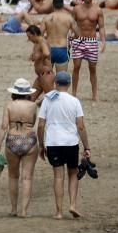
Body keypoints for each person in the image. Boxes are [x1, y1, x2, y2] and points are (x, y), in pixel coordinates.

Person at [37, 71, 91, 220]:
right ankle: (72, 204)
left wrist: (41, 145)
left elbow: (41, 125)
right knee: (73, 174)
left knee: (58, 177)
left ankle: (59, 212)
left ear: (56, 83)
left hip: (53, 142)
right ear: (69, 84)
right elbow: (81, 126)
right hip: (70, 143)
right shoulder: (74, 101)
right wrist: (87, 147)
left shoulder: (47, 100)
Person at [0, 79, 40, 217]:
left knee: (13, 176)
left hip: (12, 139)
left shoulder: (9, 105)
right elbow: (33, 122)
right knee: (27, 178)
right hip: (29, 139)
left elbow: (4, 127)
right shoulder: (33, 106)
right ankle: (24, 211)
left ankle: (14, 209)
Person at [70, 0, 106, 101]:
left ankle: (95, 94)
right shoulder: (76, 9)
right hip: (78, 39)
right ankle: (74, 93)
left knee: (92, 68)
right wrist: (70, 37)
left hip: (91, 41)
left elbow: (101, 27)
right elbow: (72, 24)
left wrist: (103, 41)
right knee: (76, 66)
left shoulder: (98, 10)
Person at [44, 0, 77, 73]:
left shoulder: (46, 18)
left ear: (52, 5)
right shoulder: (68, 18)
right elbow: (78, 34)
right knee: (61, 79)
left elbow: (39, 35)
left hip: (49, 49)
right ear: (63, 5)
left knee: (47, 78)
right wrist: (70, 40)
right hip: (62, 49)